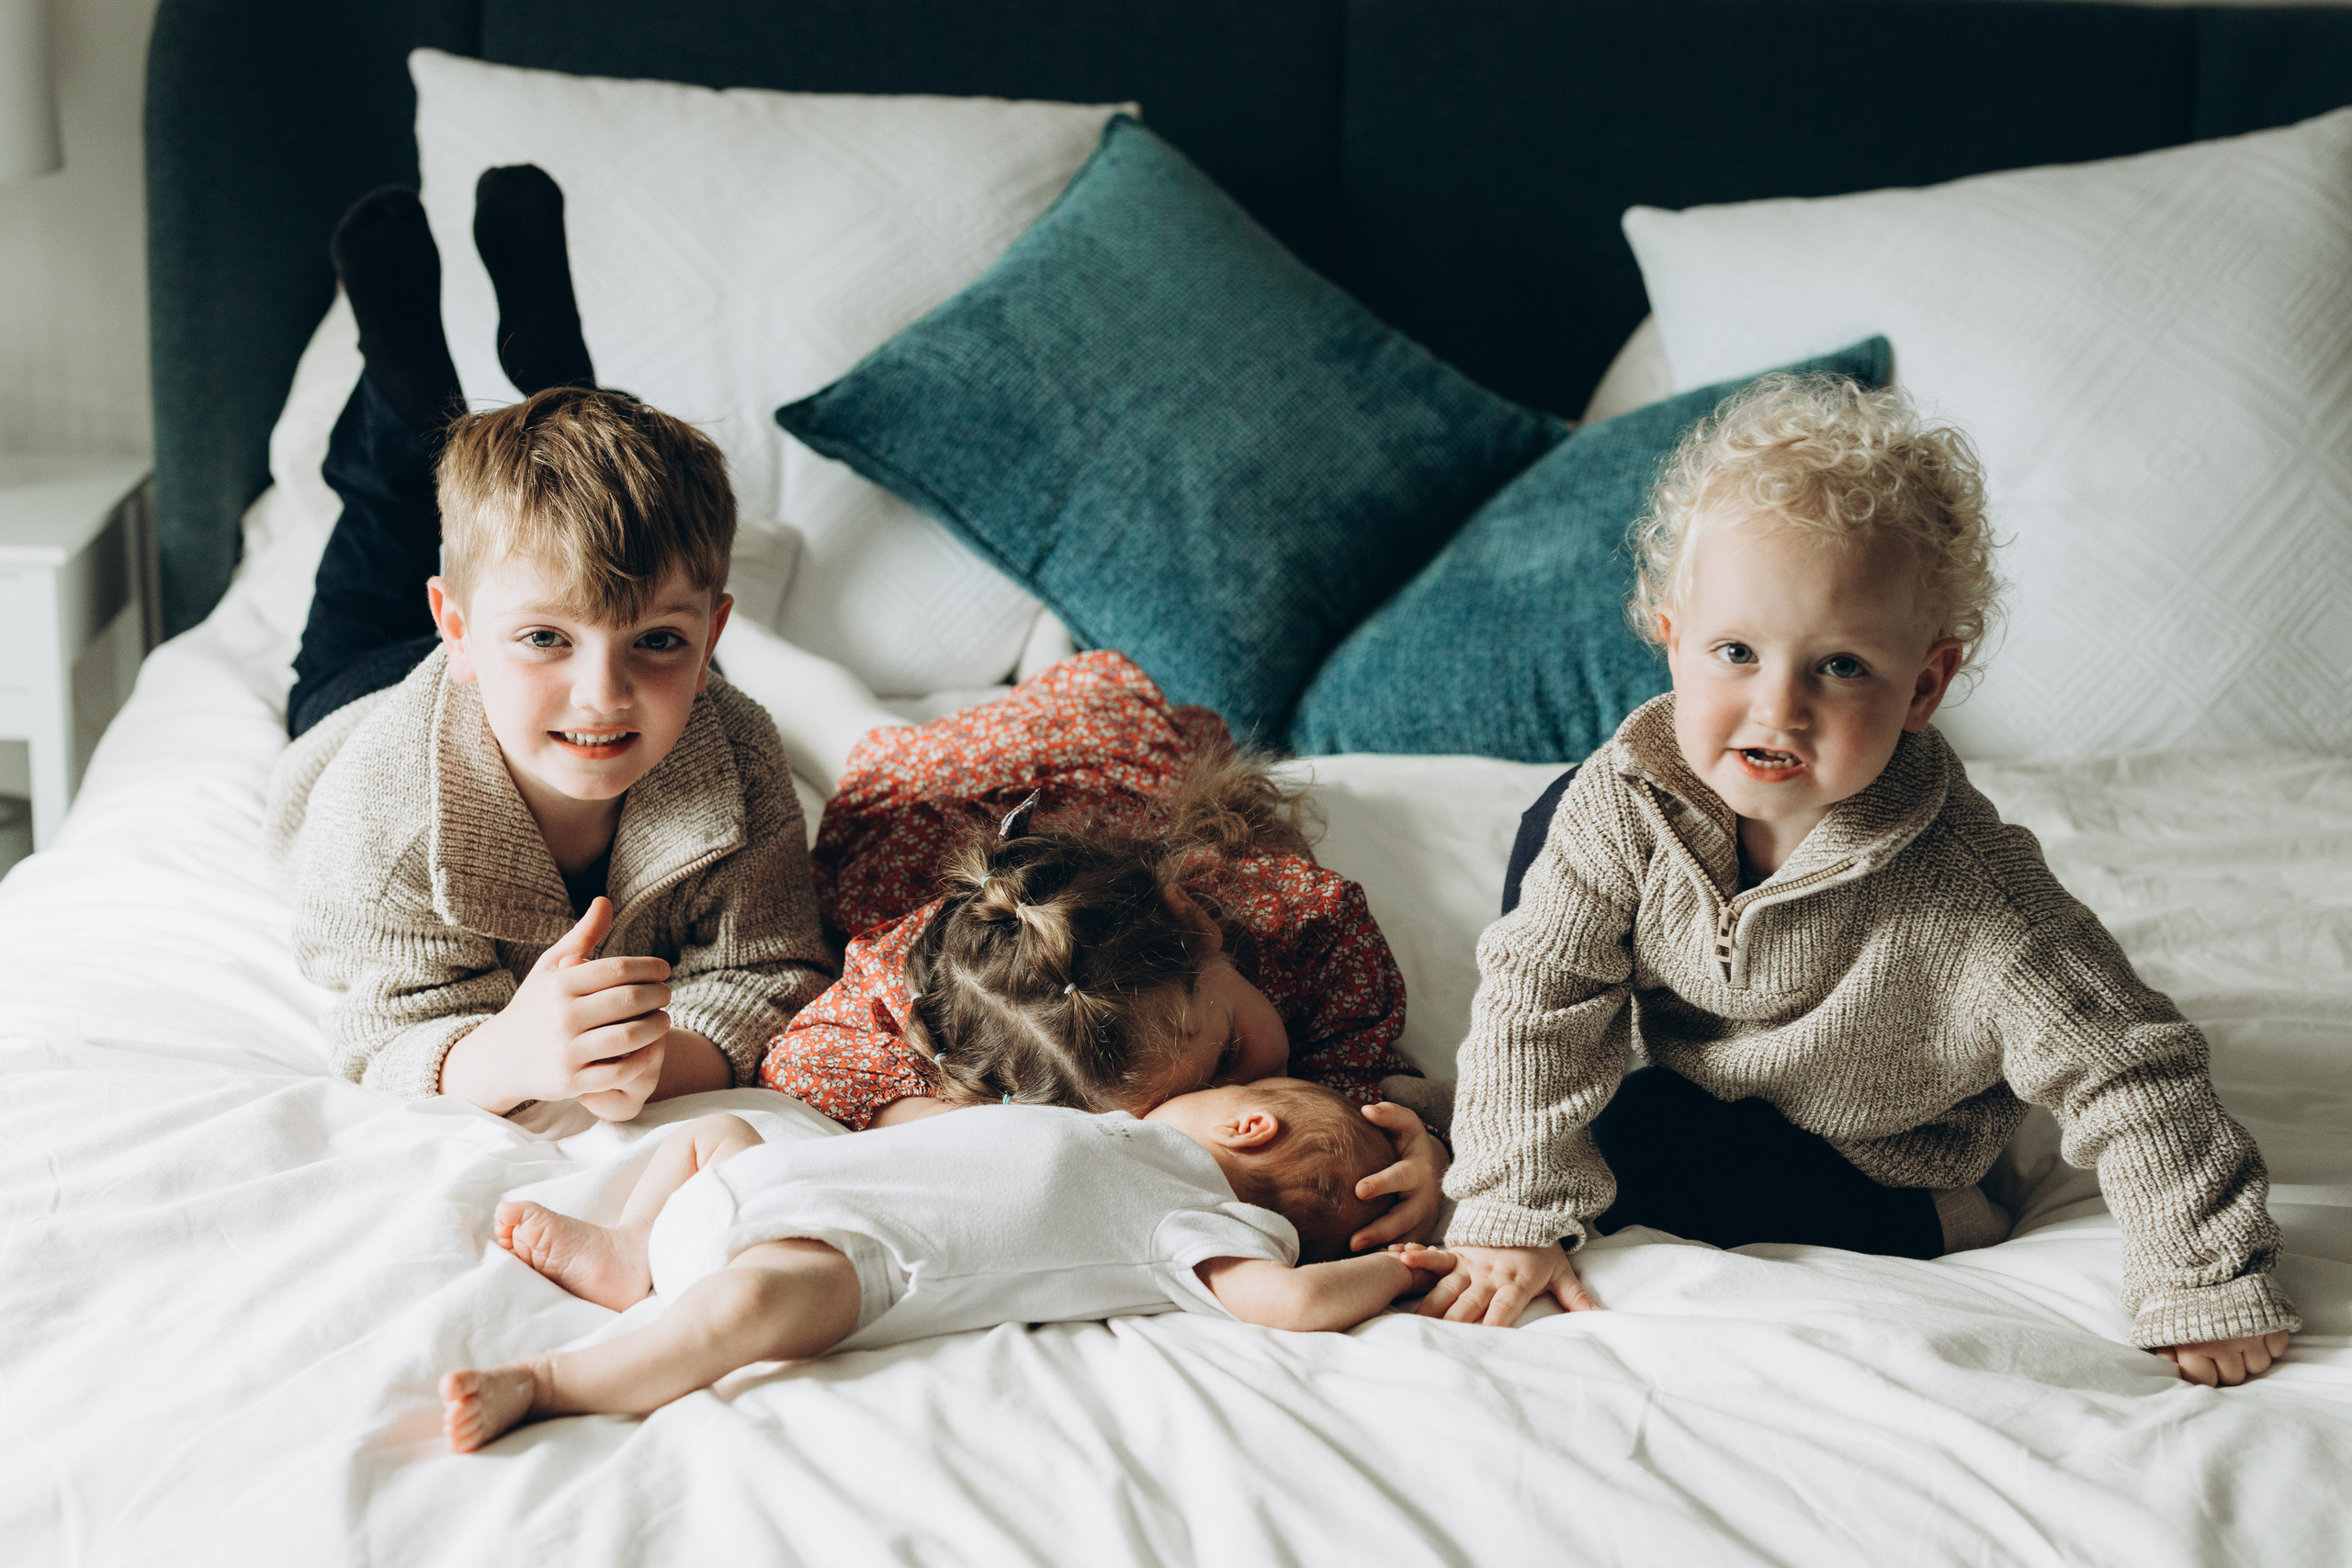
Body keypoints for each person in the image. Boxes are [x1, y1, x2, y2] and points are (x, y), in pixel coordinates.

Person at [1417, 374, 2299, 1389]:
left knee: (1635, 1137)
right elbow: (1542, 993)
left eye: (1839, 667)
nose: (1776, 708)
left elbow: (2133, 1071)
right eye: (1736, 653)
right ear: (1670, 638)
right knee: (1555, 859)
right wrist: (1510, 1211)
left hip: (1869, 1154)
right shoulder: (1628, 804)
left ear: (1924, 683)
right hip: (1700, 1070)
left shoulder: (1976, 906)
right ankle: (1504, 1143)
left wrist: (2205, 1280)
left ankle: (1929, 1217)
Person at [265, 172, 832, 1121]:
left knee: (609, 540)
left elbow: (773, 968)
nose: (602, 693)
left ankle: (556, 377)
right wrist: (507, 1061)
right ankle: (406, 382)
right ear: (456, 627)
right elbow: (383, 1037)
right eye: (546, 641)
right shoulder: (380, 822)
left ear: (713, 637)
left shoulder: (736, 753)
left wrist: (665, 1061)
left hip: (543, 656)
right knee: (386, 509)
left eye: (658, 640)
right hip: (361, 693)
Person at [752, 650, 1452, 1250]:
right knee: (849, 735)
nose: (1230, 1102)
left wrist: (1410, 1142)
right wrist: (968, 1127)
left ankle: (1040, 650)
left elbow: (1347, 1071)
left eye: (1229, 1054)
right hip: (928, 810)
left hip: (1105, 755)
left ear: (1193, 922)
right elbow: (798, 1059)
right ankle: (758, 634)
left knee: (1172, 755)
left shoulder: (1308, 920)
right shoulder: (951, 983)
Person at [440, 1077, 1453, 1450]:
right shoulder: (1124, 1139)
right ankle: (628, 1254)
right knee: (722, 1126)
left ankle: (551, 1383)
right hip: (787, 1184)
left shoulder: (1197, 1215)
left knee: (743, 1310)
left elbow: (1287, 1304)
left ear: (1249, 1120)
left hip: (857, 1260)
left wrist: (1399, 1269)